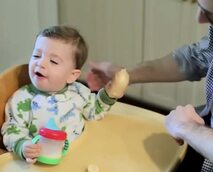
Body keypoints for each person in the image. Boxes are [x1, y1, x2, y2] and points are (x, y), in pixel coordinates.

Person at [85, 0, 213, 172]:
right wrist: (126, 75)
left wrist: (188, 128)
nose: (199, 19)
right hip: (209, 149)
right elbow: (200, 56)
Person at [1, 26, 129, 164]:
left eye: (53, 61)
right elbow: (12, 130)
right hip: (42, 163)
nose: (41, 63)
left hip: (79, 157)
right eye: (36, 55)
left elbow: (94, 111)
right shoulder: (21, 99)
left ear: (71, 75)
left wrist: (109, 94)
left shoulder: (79, 92)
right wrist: (23, 146)